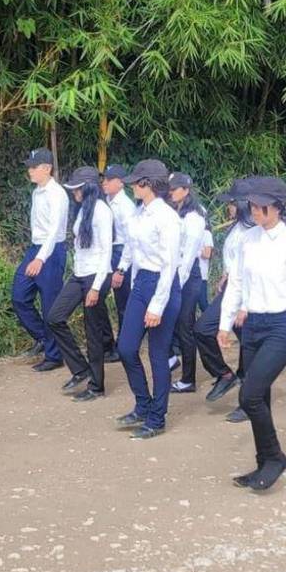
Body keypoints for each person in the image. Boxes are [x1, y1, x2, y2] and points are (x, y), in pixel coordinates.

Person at [219, 177, 286, 491]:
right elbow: (237, 284)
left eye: (258, 205)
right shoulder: (249, 240)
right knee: (261, 395)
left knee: (249, 396)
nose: (252, 210)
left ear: (275, 207)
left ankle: (275, 458)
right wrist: (224, 323)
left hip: (281, 326)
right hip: (253, 325)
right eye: (251, 204)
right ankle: (263, 462)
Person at [112, 159, 182, 439]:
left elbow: (169, 265)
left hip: (163, 286)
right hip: (142, 283)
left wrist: (157, 305)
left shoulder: (167, 218)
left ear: (149, 185)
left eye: (136, 183)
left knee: (157, 355)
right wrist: (124, 272)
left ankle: (157, 418)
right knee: (126, 348)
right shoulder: (139, 214)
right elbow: (132, 247)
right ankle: (143, 403)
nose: (132, 187)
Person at [44, 167, 114, 401]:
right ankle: (81, 369)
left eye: (77, 188)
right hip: (80, 274)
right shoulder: (83, 209)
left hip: (97, 276)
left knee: (92, 333)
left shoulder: (102, 212)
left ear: (89, 188)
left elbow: (106, 252)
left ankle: (96, 386)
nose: (74, 192)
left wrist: (95, 287)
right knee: (55, 316)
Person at [194, 180, 254, 415]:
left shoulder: (252, 231)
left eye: (231, 203)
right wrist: (226, 274)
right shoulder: (238, 226)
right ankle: (224, 373)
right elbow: (234, 258)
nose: (228, 208)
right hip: (232, 286)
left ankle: (248, 403)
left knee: (248, 345)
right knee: (202, 329)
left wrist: (246, 304)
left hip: (246, 291)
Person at [11, 148, 69, 371]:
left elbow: (54, 231)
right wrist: (35, 256)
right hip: (36, 248)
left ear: (47, 168)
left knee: (49, 304)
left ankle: (54, 356)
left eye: (33, 167)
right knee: (19, 296)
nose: (30, 171)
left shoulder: (57, 194)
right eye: (29, 167)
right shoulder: (37, 191)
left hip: (51, 252)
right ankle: (44, 339)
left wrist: (41, 259)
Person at [169, 172, 211, 395]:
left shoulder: (194, 217)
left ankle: (188, 378)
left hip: (188, 275)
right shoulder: (175, 212)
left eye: (175, 188)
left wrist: (177, 283)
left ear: (186, 190)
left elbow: (189, 256)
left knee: (185, 325)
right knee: (178, 324)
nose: (171, 191)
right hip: (175, 272)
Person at [101, 163, 136, 362]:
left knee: (123, 302)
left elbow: (131, 241)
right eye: (104, 179)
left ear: (120, 183)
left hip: (122, 253)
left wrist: (121, 269)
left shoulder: (125, 206)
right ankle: (109, 342)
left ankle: (123, 345)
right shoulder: (106, 201)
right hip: (108, 251)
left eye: (109, 179)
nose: (104, 182)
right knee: (98, 296)